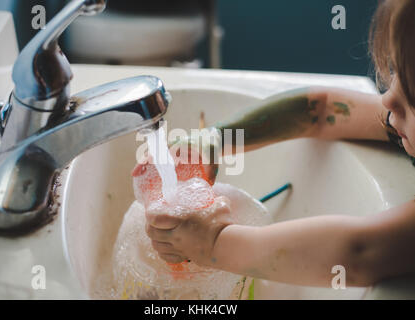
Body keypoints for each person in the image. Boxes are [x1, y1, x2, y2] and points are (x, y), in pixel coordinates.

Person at [139, 0, 415, 287]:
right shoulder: (402, 115)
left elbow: (358, 254)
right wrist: (215, 139)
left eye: (412, 93)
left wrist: (212, 244)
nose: (388, 99)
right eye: (395, 72)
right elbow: (321, 111)